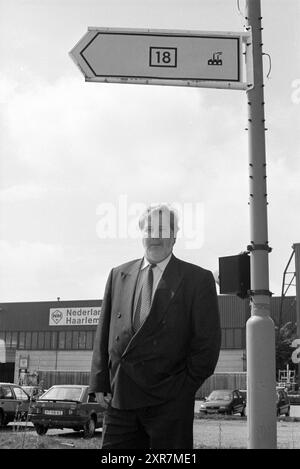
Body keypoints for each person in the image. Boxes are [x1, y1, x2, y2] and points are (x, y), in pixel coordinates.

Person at [89, 203, 221, 449]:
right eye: (149, 229)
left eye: (162, 230)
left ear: (174, 236)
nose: (155, 236)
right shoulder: (118, 274)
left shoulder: (197, 279)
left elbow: (207, 345)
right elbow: (104, 332)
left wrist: (182, 391)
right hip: (120, 400)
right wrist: (100, 383)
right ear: (142, 235)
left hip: (169, 402)